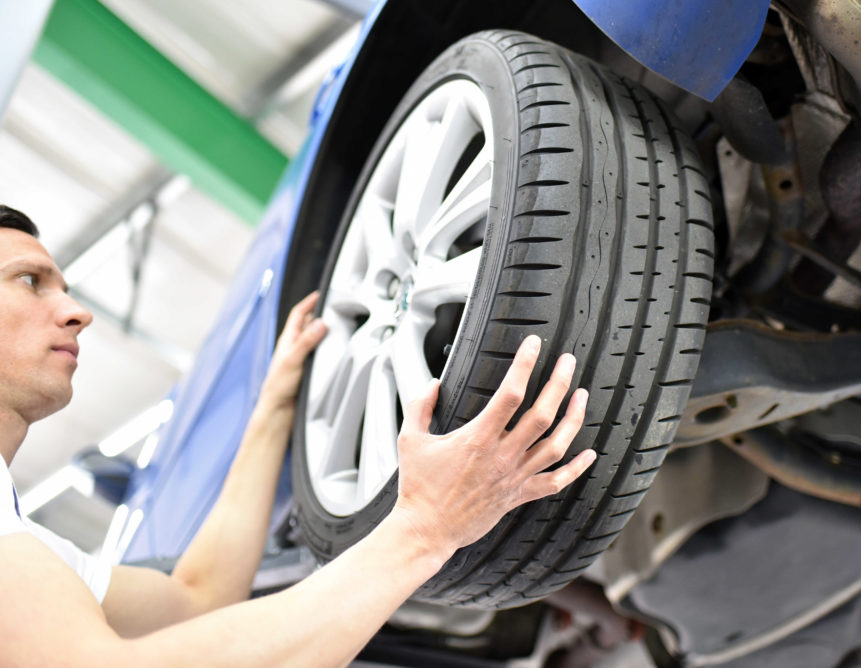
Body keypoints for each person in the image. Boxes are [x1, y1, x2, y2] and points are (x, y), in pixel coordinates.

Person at [0, 204, 596, 665]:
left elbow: (196, 601)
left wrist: (273, 407)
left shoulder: (30, 545)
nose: (79, 310)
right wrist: (424, 528)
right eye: (30, 281)